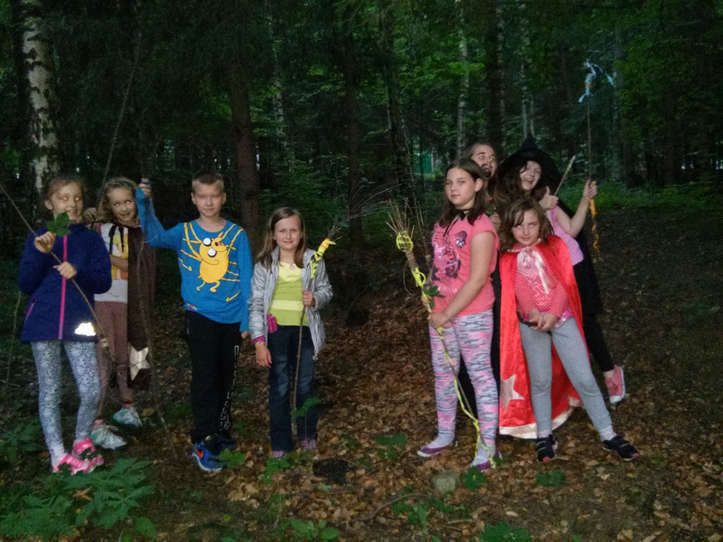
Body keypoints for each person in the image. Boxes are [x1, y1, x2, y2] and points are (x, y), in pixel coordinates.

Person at [496, 197, 639, 462]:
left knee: (584, 377)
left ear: (541, 223)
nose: (525, 231)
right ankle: (544, 434)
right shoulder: (507, 259)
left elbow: (565, 283)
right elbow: (518, 291)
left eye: (531, 224)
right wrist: (534, 313)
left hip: (562, 319)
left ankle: (607, 432)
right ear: (509, 228)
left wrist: (552, 313)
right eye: (518, 226)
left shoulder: (555, 246)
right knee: (540, 380)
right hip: (531, 325)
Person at [136, 172, 252, 473]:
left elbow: (247, 278)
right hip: (199, 316)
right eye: (202, 196)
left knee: (227, 377)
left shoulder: (237, 235)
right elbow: (154, 237)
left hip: (232, 318)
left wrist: (247, 318)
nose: (209, 202)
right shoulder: (184, 232)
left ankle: (222, 432)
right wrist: (144, 203)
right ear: (193, 199)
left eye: (214, 196)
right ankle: (204, 438)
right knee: (205, 377)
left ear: (223, 198)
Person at [497, 137, 626, 404]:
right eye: (526, 168)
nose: (532, 174)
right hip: (540, 275)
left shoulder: (547, 197)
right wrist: (538, 210)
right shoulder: (509, 204)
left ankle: (610, 373)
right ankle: (570, 388)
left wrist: (584, 199)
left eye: (537, 170)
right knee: (551, 327)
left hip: (571, 265)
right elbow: (510, 238)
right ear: (516, 171)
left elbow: (572, 230)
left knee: (583, 320)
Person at [18, 175, 111, 474]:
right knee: (50, 391)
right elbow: (25, 283)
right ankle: (57, 454)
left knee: (91, 389)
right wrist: (40, 254)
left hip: (79, 323)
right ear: (50, 203)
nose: (72, 204)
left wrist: (78, 272)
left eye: (77, 198)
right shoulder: (40, 237)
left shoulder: (91, 239)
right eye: (63, 198)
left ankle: (82, 439)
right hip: (43, 324)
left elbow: (104, 282)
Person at [417, 159, 499, 471]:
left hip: (471, 314)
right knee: (443, 374)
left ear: (477, 185)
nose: (453, 188)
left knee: (480, 376)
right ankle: (445, 433)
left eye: (461, 181)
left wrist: (448, 312)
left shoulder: (482, 227)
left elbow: (477, 279)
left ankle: (487, 445)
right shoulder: (443, 223)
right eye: (449, 182)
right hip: (441, 312)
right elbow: (441, 265)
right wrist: (428, 289)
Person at [249, 208, 333, 457]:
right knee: (280, 386)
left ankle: (307, 434)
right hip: (276, 333)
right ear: (273, 235)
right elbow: (256, 305)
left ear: (302, 233)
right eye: (282, 231)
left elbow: (327, 290)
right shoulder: (265, 265)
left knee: (305, 384)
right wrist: (259, 342)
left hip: (305, 331)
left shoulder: (313, 260)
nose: (288, 236)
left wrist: (315, 298)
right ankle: (281, 442)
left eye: (293, 230)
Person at [90, 177, 156, 450]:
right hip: (104, 301)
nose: (124, 208)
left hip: (130, 302)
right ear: (108, 206)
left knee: (129, 354)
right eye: (117, 204)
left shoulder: (142, 231)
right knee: (105, 358)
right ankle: (95, 421)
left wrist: (146, 200)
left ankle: (127, 406)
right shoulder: (100, 229)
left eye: (128, 201)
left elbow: (136, 265)